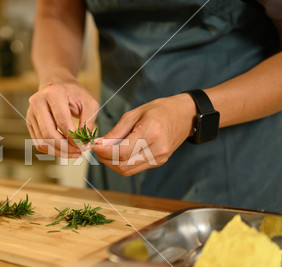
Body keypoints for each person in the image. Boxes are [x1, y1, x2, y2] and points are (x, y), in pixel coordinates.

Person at [27, 0, 282, 212]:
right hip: (115, 143)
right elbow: (55, 11)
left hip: (234, 156)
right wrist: (58, 75)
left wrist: (195, 110)